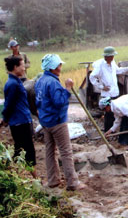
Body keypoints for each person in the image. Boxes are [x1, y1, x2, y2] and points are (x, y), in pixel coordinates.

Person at [35, 54, 86, 191]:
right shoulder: (53, 82)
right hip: (57, 122)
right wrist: (68, 89)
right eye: (59, 65)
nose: (60, 67)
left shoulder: (40, 80)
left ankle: (53, 180)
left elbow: (38, 102)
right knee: (65, 152)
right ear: (53, 68)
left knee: (50, 151)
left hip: (45, 122)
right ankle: (73, 183)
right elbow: (59, 102)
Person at [2, 56, 37, 178]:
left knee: (20, 148)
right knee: (27, 149)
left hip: (23, 120)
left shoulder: (16, 81)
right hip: (19, 122)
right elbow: (8, 104)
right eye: (22, 65)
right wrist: (5, 118)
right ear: (15, 67)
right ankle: (35, 178)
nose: (24, 68)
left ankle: (14, 175)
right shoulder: (12, 84)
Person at [89, 46, 128, 132]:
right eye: (111, 56)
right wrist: (101, 87)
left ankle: (113, 129)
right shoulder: (100, 65)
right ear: (106, 56)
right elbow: (92, 77)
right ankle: (107, 131)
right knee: (108, 113)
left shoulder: (112, 63)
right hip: (107, 94)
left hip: (114, 92)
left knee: (116, 111)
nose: (113, 57)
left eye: (113, 56)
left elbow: (118, 71)